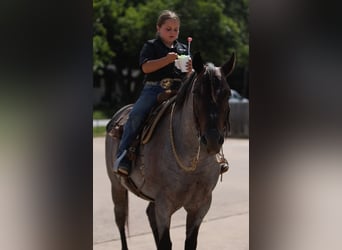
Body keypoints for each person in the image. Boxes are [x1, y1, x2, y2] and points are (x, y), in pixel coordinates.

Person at [113, 10, 193, 176]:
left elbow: (187, 74)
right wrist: (166, 59)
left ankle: (210, 157)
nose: (173, 32)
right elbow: (145, 67)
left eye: (176, 29)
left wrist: (190, 70)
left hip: (179, 89)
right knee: (137, 115)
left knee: (199, 113)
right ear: (158, 28)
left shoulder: (183, 48)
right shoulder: (151, 46)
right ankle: (123, 156)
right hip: (155, 88)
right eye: (168, 29)